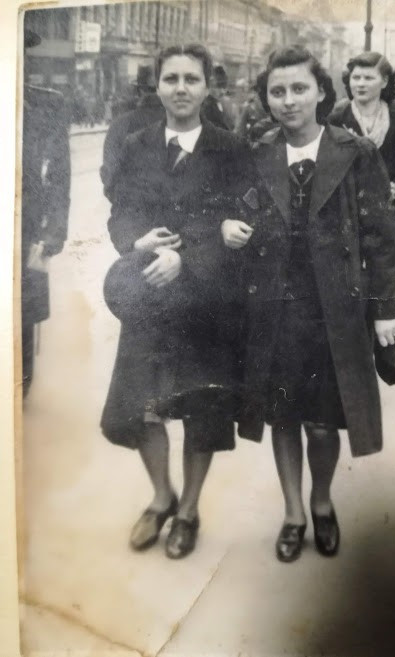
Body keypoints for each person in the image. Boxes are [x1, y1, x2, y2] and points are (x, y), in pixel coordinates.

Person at [221, 45, 395, 562]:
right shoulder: (255, 153)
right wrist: (225, 228)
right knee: (282, 417)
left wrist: (384, 307)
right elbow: (232, 212)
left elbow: (380, 237)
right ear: (266, 100)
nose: (288, 99)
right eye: (277, 91)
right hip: (274, 308)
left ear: (322, 91)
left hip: (333, 311)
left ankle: (322, 503)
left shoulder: (356, 152)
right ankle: (294, 512)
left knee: (323, 420)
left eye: (299, 88)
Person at [101, 44, 252, 559]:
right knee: (144, 405)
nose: (181, 88)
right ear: (158, 85)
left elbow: (235, 223)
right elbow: (120, 213)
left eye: (192, 79)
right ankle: (161, 497)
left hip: (205, 299)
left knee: (200, 409)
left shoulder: (231, 148)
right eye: (172, 79)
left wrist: (186, 257)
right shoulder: (138, 143)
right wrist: (136, 242)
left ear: (207, 86)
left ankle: (188, 509)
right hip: (148, 295)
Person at [22, 29, 71, 396]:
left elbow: (58, 176)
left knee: (21, 315)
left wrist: (54, 232)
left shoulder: (45, 106)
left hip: (24, 231)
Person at [330, 51, 395, 221]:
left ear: (384, 81)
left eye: (368, 78)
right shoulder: (336, 120)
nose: (360, 84)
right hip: (347, 215)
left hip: (390, 214)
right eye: (356, 78)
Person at [100, 65, 166, 202]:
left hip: (131, 214)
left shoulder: (120, 124)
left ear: (139, 91)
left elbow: (109, 175)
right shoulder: (183, 123)